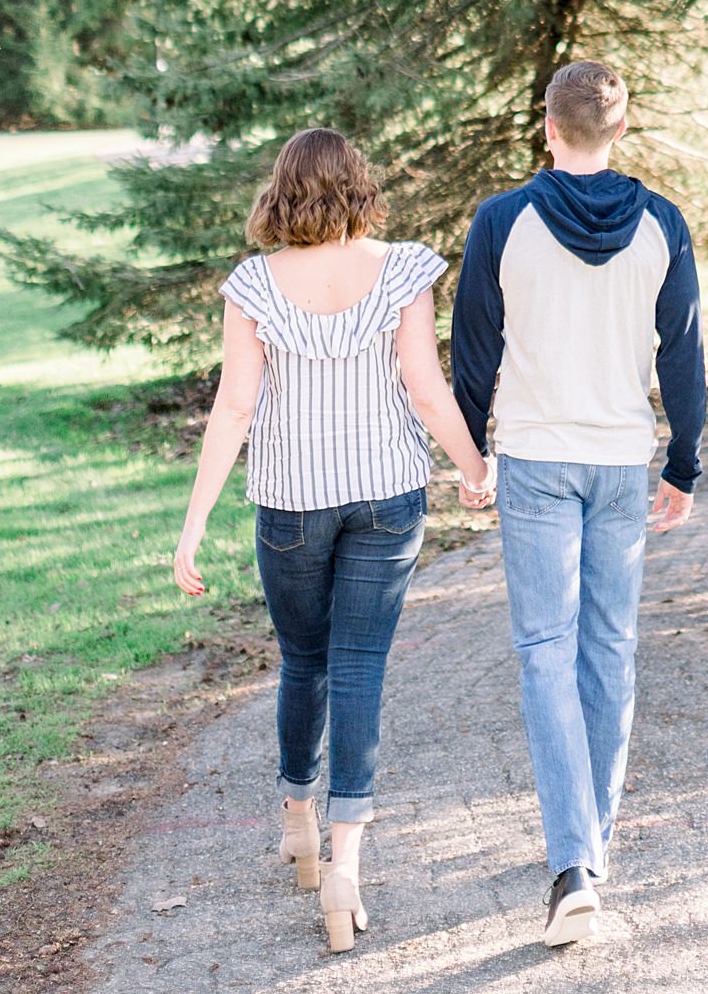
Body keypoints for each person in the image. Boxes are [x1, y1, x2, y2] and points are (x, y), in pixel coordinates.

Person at [172, 127, 495, 952]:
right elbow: (424, 387)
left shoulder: (253, 283)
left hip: (289, 504)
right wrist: (473, 465)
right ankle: (346, 865)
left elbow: (236, 407)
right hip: (386, 495)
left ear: (281, 191)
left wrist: (196, 520)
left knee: (303, 662)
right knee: (359, 668)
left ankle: (298, 821)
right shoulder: (404, 269)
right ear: (359, 186)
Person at [450, 57, 705, 948]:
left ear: (547, 128)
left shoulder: (501, 222)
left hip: (535, 463)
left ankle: (573, 868)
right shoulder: (662, 226)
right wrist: (684, 463)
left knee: (545, 655)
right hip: (617, 463)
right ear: (620, 131)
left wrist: (468, 452)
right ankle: (585, 859)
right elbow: (682, 356)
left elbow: (474, 349)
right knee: (610, 651)